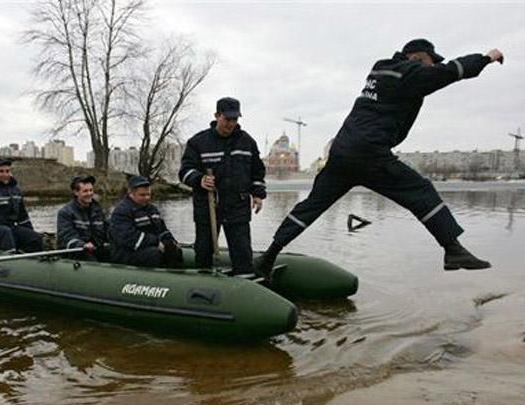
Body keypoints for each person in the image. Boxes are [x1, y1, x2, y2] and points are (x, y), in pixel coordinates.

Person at [257, 39, 504, 278]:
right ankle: (453, 250)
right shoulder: (408, 72)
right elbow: (450, 71)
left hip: (342, 152)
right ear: (417, 57)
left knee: (311, 206)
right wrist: (486, 58)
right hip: (369, 154)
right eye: (430, 61)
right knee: (420, 192)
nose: (430, 66)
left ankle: (268, 257)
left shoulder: (381, 69)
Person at [178, 97, 266, 276]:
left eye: (235, 119)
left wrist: (257, 194)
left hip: (238, 206)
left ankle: (245, 283)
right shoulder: (198, 142)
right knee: (203, 249)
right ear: (217, 116)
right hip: (208, 206)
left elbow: (257, 171)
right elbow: (185, 171)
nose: (231, 124)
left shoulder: (247, 141)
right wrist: (199, 179)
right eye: (227, 119)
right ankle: (203, 282)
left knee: (242, 251)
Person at [108, 175, 182, 268]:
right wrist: (156, 242)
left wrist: (170, 241)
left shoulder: (152, 209)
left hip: (147, 247)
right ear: (131, 194)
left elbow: (162, 229)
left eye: (148, 194)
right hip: (126, 253)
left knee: (175, 250)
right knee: (154, 254)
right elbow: (128, 238)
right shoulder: (122, 211)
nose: (147, 198)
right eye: (142, 195)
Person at [56, 174, 109, 261]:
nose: (89, 194)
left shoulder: (97, 210)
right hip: (76, 252)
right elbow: (66, 236)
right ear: (76, 192)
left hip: (96, 249)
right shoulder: (65, 212)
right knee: (89, 258)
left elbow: (106, 230)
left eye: (91, 190)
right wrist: (81, 245)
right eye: (85, 191)